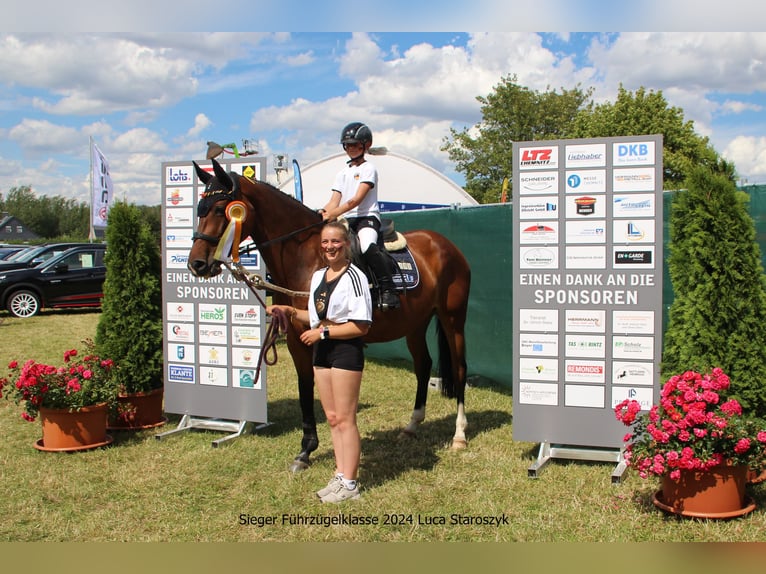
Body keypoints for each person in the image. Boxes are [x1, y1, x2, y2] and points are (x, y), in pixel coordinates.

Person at [267, 221, 373, 503]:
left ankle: (350, 485)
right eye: (325, 242)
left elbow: (361, 327)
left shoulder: (356, 277)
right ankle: (340, 475)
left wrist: (323, 332)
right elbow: (312, 318)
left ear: (346, 244)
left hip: (345, 350)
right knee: (333, 418)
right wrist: (288, 310)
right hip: (322, 351)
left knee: (346, 418)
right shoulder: (318, 277)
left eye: (336, 242)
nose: (330, 247)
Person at [318, 121, 400, 310]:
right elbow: (333, 201)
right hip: (346, 220)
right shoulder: (342, 173)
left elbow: (356, 200)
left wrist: (334, 213)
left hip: (366, 218)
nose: (350, 148)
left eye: (355, 144)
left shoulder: (368, 169)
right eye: (347, 145)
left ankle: (388, 289)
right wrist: (323, 213)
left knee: (366, 247)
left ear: (366, 145)